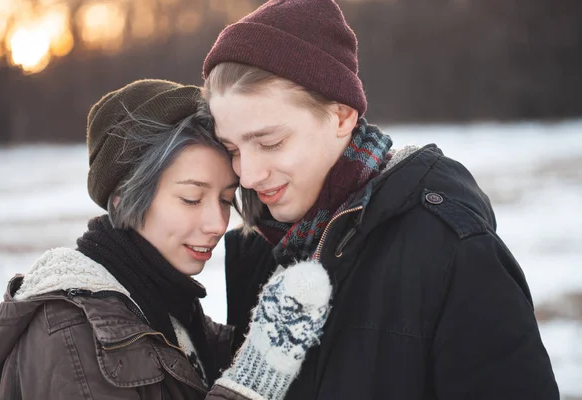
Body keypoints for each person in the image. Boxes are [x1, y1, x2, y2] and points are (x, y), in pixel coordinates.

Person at [201, 0, 560, 398]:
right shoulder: (259, 252)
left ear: (341, 117)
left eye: (270, 142)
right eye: (232, 149)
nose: (248, 175)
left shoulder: (451, 252)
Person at [0, 79, 332, 400]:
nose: (217, 223)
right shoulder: (74, 337)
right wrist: (252, 382)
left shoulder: (164, 309)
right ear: (123, 196)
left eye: (225, 200)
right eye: (191, 198)